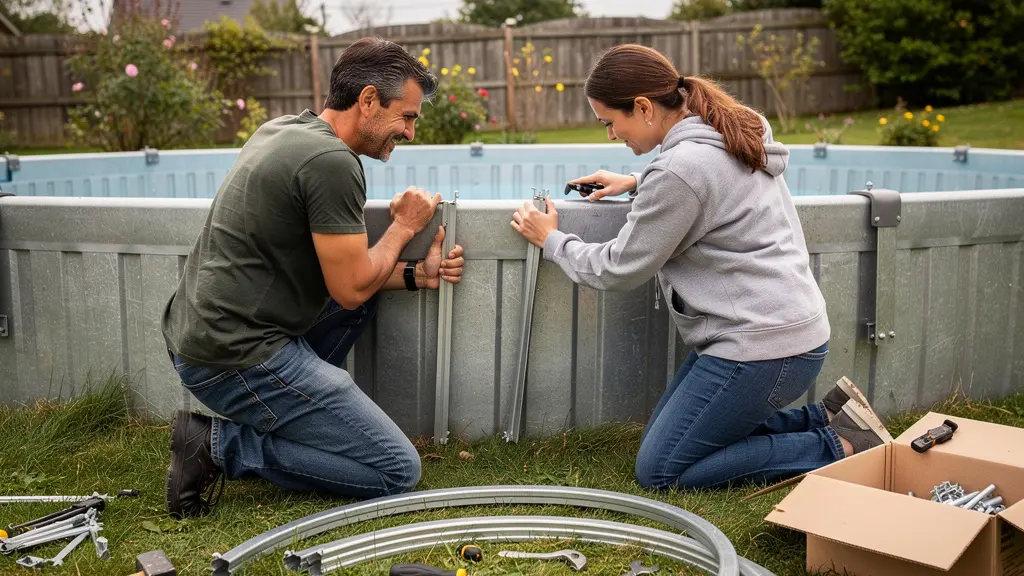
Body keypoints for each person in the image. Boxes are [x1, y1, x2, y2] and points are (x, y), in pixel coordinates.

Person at [511, 44, 893, 490]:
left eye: (609, 122)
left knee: (661, 470)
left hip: (763, 348)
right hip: (782, 331)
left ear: (643, 107)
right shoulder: (732, 124)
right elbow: (712, 179)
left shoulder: (680, 170)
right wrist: (639, 181)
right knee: (672, 441)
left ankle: (839, 445)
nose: (611, 135)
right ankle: (828, 416)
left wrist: (552, 241)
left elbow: (619, 267)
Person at [161, 37, 465, 518]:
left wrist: (416, 274)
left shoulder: (285, 129)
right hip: (234, 356)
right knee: (396, 470)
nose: (409, 132)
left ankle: (300, 415)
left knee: (364, 295)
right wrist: (404, 227)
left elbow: (346, 277)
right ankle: (218, 445)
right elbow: (350, 288)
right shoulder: (332, 163)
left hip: (202, 334)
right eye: (406, 117)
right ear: (368, 100)